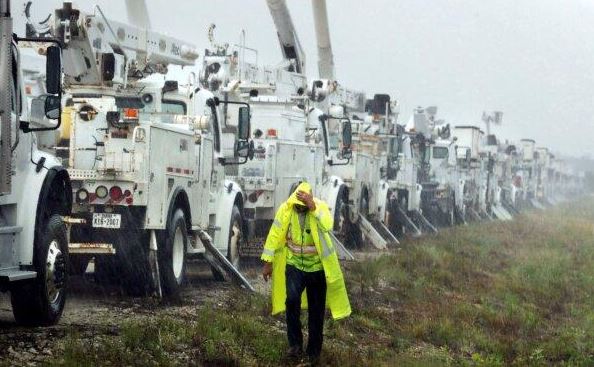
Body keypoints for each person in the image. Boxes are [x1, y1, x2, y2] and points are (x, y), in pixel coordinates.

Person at [261, 182, 351, 365]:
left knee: (316, 312)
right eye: (298, 202)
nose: (300, 207)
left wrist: (313, 207)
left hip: (317, 269)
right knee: (291, 301)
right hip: (294, 266)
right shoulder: (286, 209)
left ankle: (313, 353)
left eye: (303, 203)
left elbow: (327, 224)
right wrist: (267, 263)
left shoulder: (319, 207)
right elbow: (274, 234)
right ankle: (295, 345)